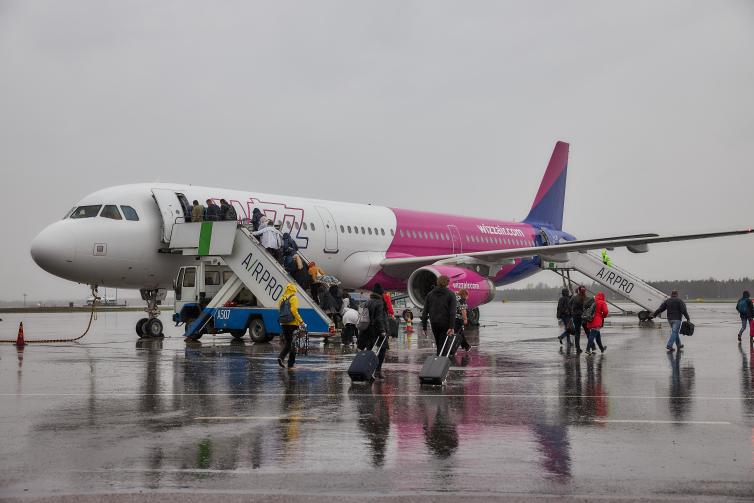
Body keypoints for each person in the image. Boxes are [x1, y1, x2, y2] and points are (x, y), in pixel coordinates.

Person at [357, 285, 389, 378]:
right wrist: (382, 330)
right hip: (377, 330)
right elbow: (379, 318)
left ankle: (367, 370)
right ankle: (377, 371)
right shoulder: (380, 303)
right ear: (380, 293)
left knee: (369, 350)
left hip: (367, 330)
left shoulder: (367, 302)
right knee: (382, 350)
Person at [421, 275, 457, 355]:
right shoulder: (451, 294)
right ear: (447, 283)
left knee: (439, 344)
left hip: (434, 323)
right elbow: (452, 312)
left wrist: (424, 327)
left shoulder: (430, 295)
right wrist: (451, 327)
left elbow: (425, 312)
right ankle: (441, 362)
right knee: (443, 345)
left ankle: (439, 359)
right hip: (445, 324)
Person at [277, 283, 304, 369]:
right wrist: (301, 321)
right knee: (294, 344)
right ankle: (290, 364)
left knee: (288, 343)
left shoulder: (282, 298)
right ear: (293, 289)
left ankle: (281, 357)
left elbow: (280, 310)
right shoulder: (293, 297)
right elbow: (294, 310)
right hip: (293, 323)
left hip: (284, 323)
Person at [568, 286, 588, 353]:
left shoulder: (574, 297)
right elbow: (587, 307)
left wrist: (572, 311)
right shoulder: (584, 297)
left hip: (575, 316)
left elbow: (569, 304)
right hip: (582, 316)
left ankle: (577, 347)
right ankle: (591, 346)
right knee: (587, 331)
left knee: (577, 332)